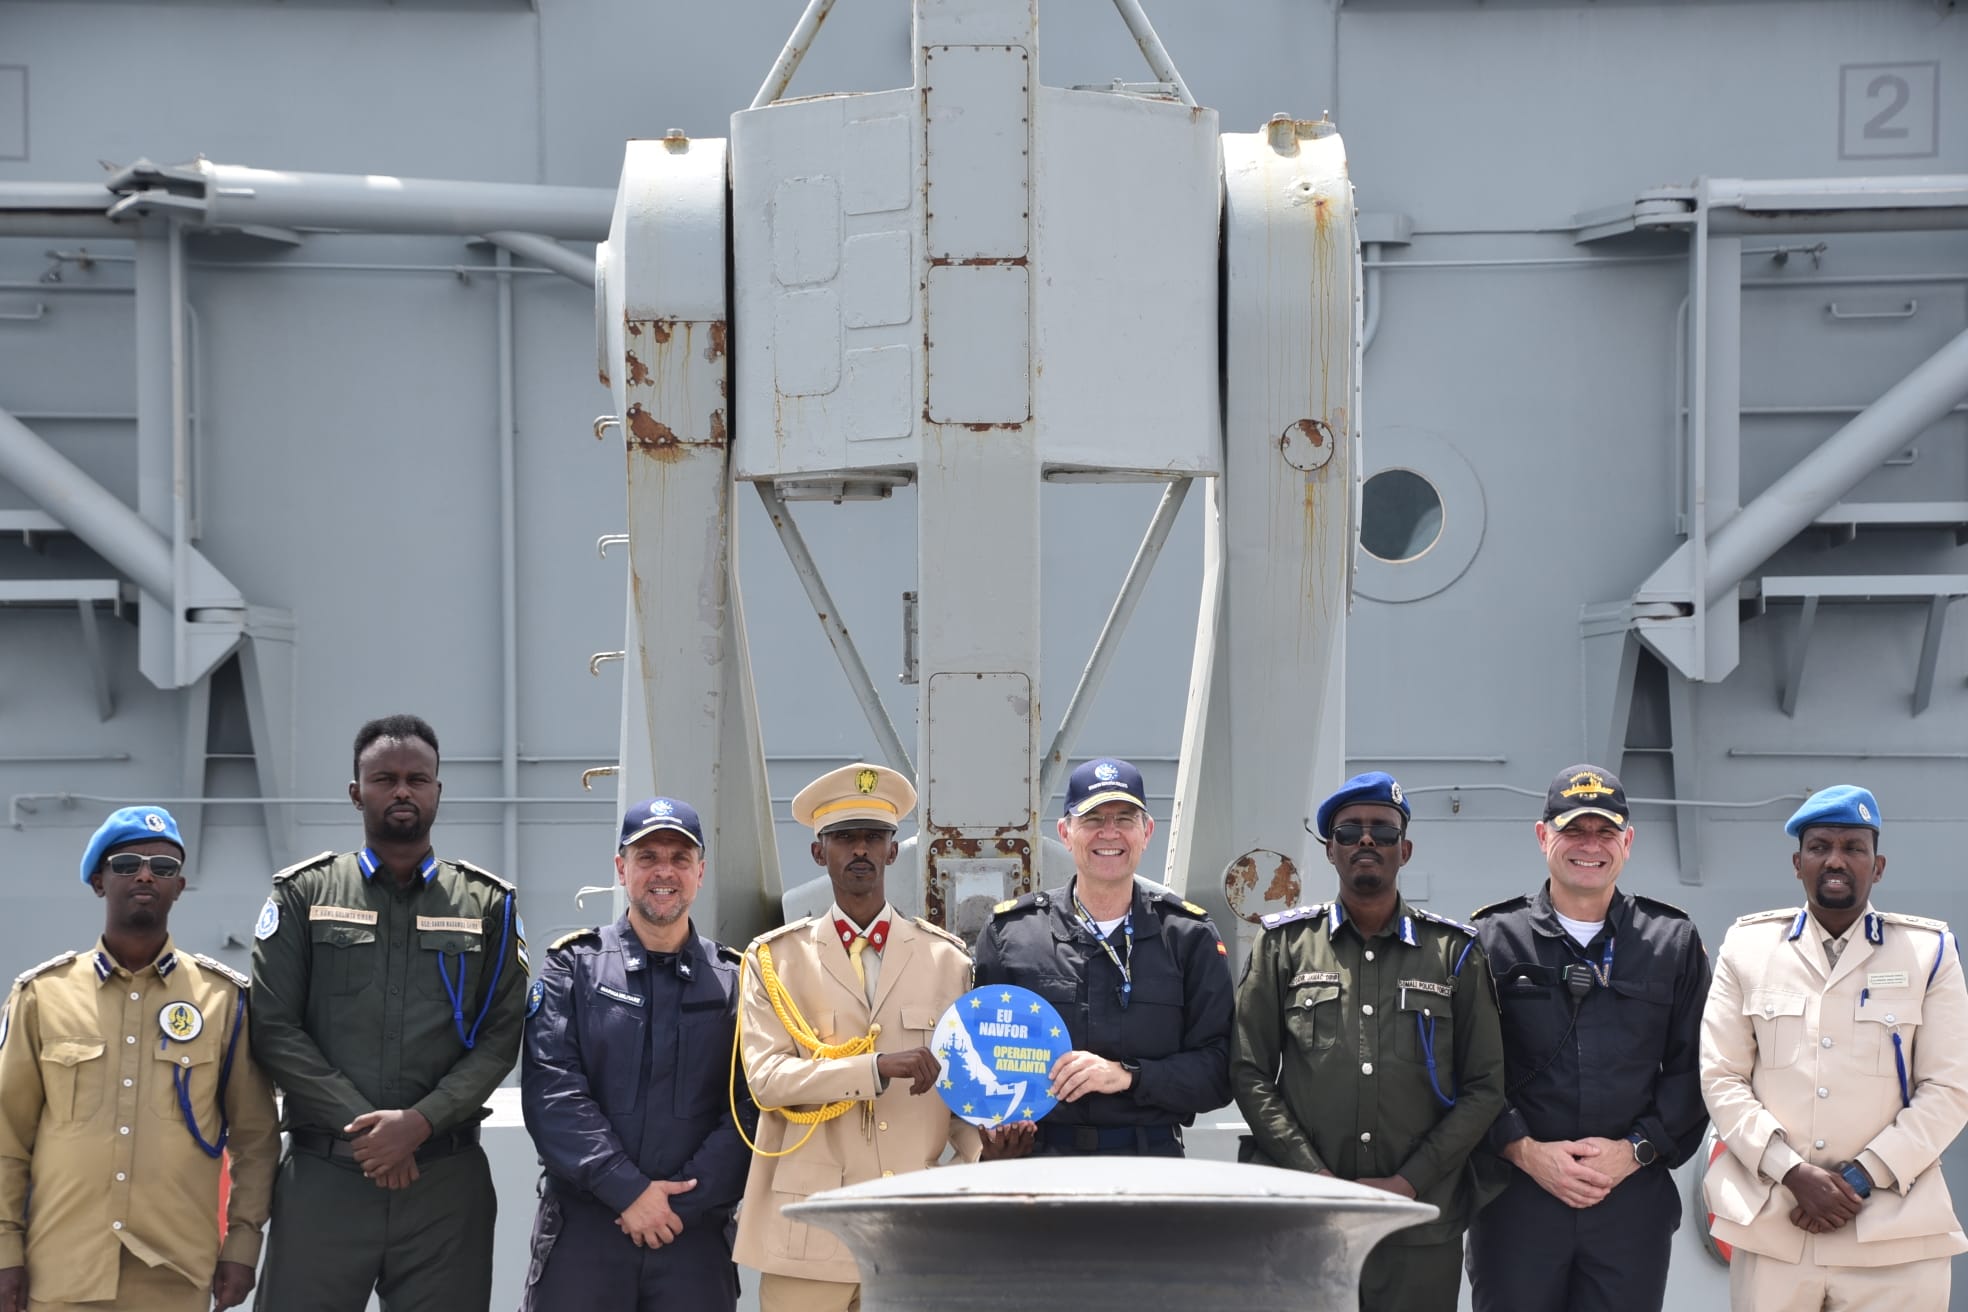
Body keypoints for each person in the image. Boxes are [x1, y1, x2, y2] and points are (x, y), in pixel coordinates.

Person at [248, 714, 527, 1312]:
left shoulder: (488, 905)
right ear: (357, 792)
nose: (402, 791)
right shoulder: (304, 895)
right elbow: (274, 1027)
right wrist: (373, 1132)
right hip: (327, 1180)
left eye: (417, 779)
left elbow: (501, 1038)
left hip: (444, 1187)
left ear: (436, 791)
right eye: (384, 778)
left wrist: (420, 1123)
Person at [1232, 772, 1505, 1311]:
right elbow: (1248, 1070)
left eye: (1381, 831)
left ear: (1404, 849)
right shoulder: (1284, 945)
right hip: (1303, 1215)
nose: (1365, 841)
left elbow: (1485, 1086)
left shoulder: (1454, 953)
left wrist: (1410, 1180)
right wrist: (1315, 1178)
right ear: (1330, 849)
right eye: (1349, 830)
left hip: (1421, 1223)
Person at [0, 805, 278, 1312]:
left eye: (163, 867)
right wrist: (4, 1250)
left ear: (179, 886)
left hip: (174, 1270)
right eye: (126, 864)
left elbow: (256, 1137)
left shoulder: (223, 1002)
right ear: (100, 882)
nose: (146, 874)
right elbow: (6, 1138)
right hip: (62, 1268)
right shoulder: (41, 997)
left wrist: (242, 1244)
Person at [1701, 785, 1968, 1311]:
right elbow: (1721, 1076)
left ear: (1879, 864)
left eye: (1853, 847)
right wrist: (1792, 1172)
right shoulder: (1747, 948)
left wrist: (1859, 1176)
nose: (1836, 860)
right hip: (1777, 1223)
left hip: (1895, 1231)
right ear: (1797, 863)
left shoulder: (1930, 953)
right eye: (1820, 846)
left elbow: (1950, 1088)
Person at [732, 762, 981, 1312]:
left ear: (894, 851)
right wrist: (874, 1069)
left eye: (875, 837)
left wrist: (972, 1167)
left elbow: (966, 1096)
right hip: (810, 1231)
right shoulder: (775, 959)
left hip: (915, 1227)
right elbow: (768, 1082)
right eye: (845, 838)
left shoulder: (948, 960)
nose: (860, 850)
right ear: (820, 853)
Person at [1466, 764, 1711, 1312]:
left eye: (1605, 831)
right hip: (1518, 1202)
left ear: (1627, 841)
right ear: (1542, 836)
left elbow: (1696, 1068)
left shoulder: (1671, 941)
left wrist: (1635, 1150)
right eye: (1573, 830)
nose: (1589, 846)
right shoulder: (1492, 940)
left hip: (1629, 1202)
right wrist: (1524, 1150)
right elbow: (1466, 1064)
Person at [519, 796, 755, 1311]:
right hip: (587, 1233)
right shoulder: (573, 967)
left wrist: (675, 1207)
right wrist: (626, 1191)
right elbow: (552, 1091)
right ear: (621, 868)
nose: (663, 872)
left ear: (700, 872)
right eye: (647, 857)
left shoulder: (739, 981)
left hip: (690, 1239)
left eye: (679, 858)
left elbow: (750, 1108)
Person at [973, 757, 1234, 1157]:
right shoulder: (1012, 934)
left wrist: (1128, 1076)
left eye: (1125, 819)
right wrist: (995, 1124)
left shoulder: (1187, 937)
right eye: (1093, 819)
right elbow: (979, 1054)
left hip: (1148, 1164)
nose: (1109, 833)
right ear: (1065, 832)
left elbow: (1218, 1072)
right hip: (1039, 1163)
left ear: (1146, 832)